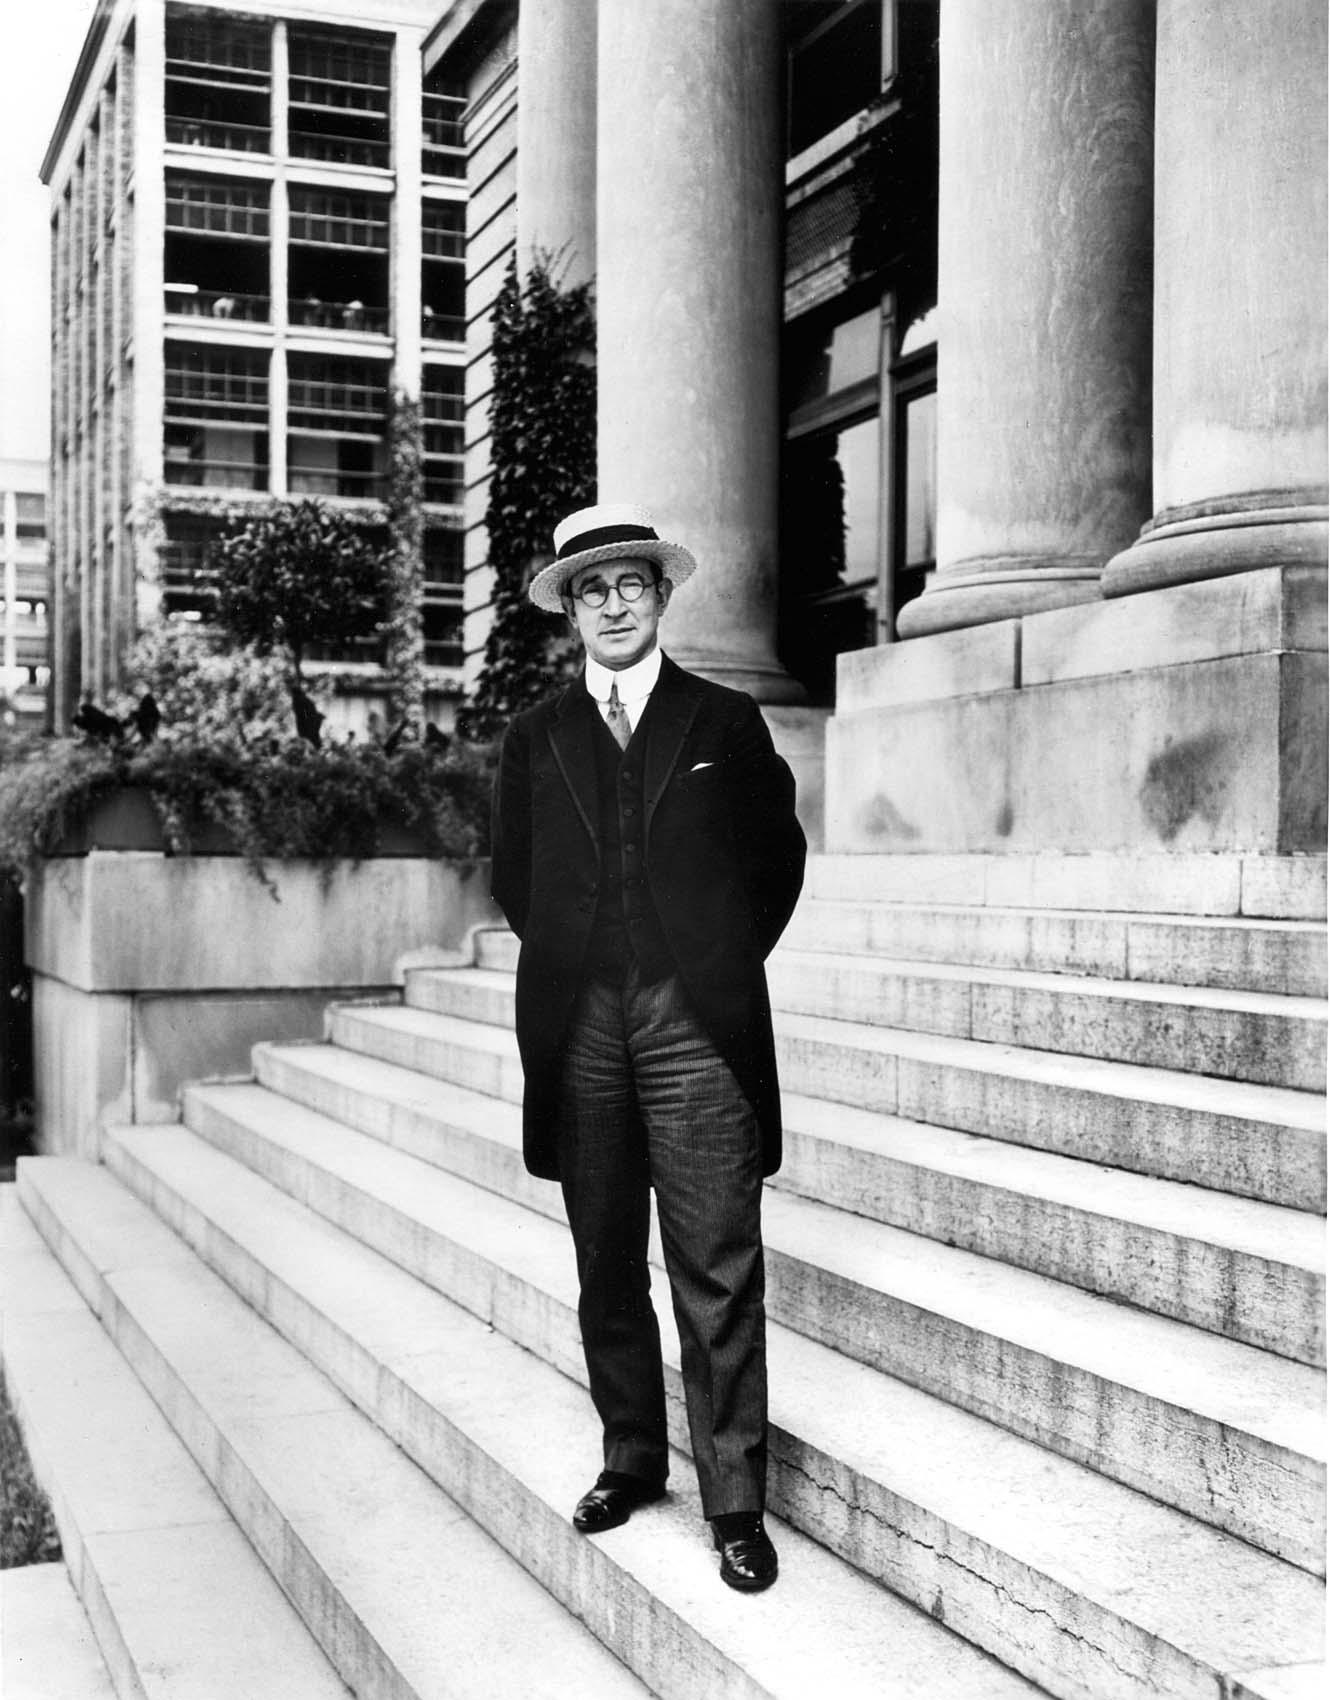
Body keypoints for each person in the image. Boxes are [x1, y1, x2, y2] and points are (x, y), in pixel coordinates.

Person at [490, 502, 806, 1592]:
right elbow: (515, 876)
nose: (615, 604)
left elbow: (775, 862)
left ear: (661, 596)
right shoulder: (534, 735)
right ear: (569, 610)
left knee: (717, 1258)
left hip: (694, 1022)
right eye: (593, 588)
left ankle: (735, 1500)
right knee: (606, 1254)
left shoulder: (726, 719)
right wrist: (583, 964)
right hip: (581, 1022)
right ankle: (631, 1454)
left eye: (632, 583)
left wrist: (712, 962)